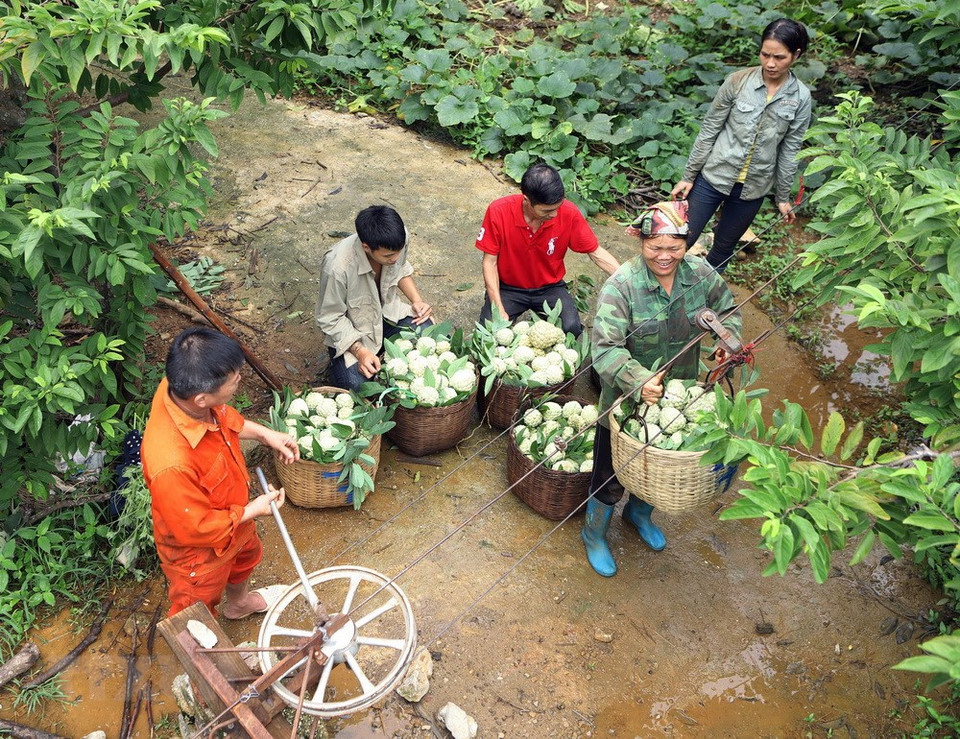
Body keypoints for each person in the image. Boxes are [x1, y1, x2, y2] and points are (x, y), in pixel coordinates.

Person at [584, 201, 741, 577]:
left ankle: (640, 514)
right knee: (610, 477)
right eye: (656, 248)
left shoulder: (701, 274)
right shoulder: (622, 286)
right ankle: (594, 535)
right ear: (641, 242)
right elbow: (604, 348)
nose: (665, 257)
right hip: (625, 405)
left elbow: (728, 310)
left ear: (687, 243)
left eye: (675, 248)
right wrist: (638, 380)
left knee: (658, 470)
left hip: (680, 399)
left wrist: (726, 338)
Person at [141, 327, 300, 618]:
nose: (240, 380)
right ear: (201, 399)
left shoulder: (180, 389)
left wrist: (266, 435)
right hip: (200, 553)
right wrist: (251, 510)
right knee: (197, 607)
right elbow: (194, 528)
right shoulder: (171, 464)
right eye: (233, 380)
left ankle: (239, 604)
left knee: (245, 557)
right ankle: (204, 655)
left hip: (234, 516)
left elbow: (226, 418)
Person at [671, 18, 812, 273]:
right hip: (714, 176)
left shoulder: (800, 97)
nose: (770, 63)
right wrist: (689, 176)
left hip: (753, 189)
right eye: (765, 54)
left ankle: (702, 301)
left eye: (779, 57)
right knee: (681, 238)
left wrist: (782, 197)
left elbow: (790, 149)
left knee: (723, 250)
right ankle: (657, 297)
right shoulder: (737, 82)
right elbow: (710, 129)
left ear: (796, 55)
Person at [476, 162, 620, 336]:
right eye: (547, 210)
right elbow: (489, 263)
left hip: (550, 288)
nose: (554, 215)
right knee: (488, 333)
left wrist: (627, 280)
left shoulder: (569, 212)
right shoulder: (498, 212)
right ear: (527, 200)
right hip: (509, 288)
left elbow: (596, 253)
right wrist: (498, 307)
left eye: (558, 207)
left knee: (570, 328)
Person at [316, 205, 433, 391]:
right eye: (388, 255)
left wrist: (417, 301)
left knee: (429, 332)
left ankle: (383, 354)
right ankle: (342, 366)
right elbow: (330, 319)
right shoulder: (338, 268)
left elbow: (401, 268)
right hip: (355, 333)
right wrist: (360, 352)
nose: (395, 257)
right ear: (366, 247)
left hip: (386, 314)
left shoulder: (399, 238)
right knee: (357, 386)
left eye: (398, 251)